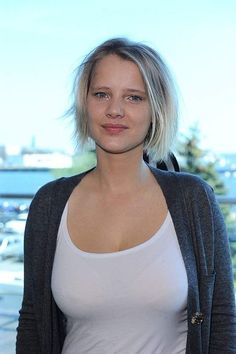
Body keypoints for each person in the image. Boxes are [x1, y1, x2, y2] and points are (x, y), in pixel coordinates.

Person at [16, 38, 236, 354]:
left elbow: (222, 322)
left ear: (155, 110)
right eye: (102, 94)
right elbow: (33, 323)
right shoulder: (49, 205)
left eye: (134, 97)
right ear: (85, 103)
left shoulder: (194, 200)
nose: (115, 110)